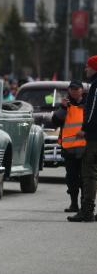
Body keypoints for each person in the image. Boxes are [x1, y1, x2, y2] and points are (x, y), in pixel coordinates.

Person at [68, 55, 97, 222]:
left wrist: (85, 129)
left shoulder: (95, 86)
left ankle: (87, 211)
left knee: (89, 174)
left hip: (94, 138)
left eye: (88, 66)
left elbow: (92, 110)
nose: (86, 69)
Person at [52, 80, 86, 213]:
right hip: (69, 148)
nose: (74, 91)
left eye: (76, 89)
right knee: (71, 178)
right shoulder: (65, 105)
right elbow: (55, 121)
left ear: (81, 90)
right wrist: (63, 107)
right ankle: (73, 204)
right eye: (72, 89)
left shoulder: (88, 105)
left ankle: (85, 204)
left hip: (85, 148)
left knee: (85, 178)